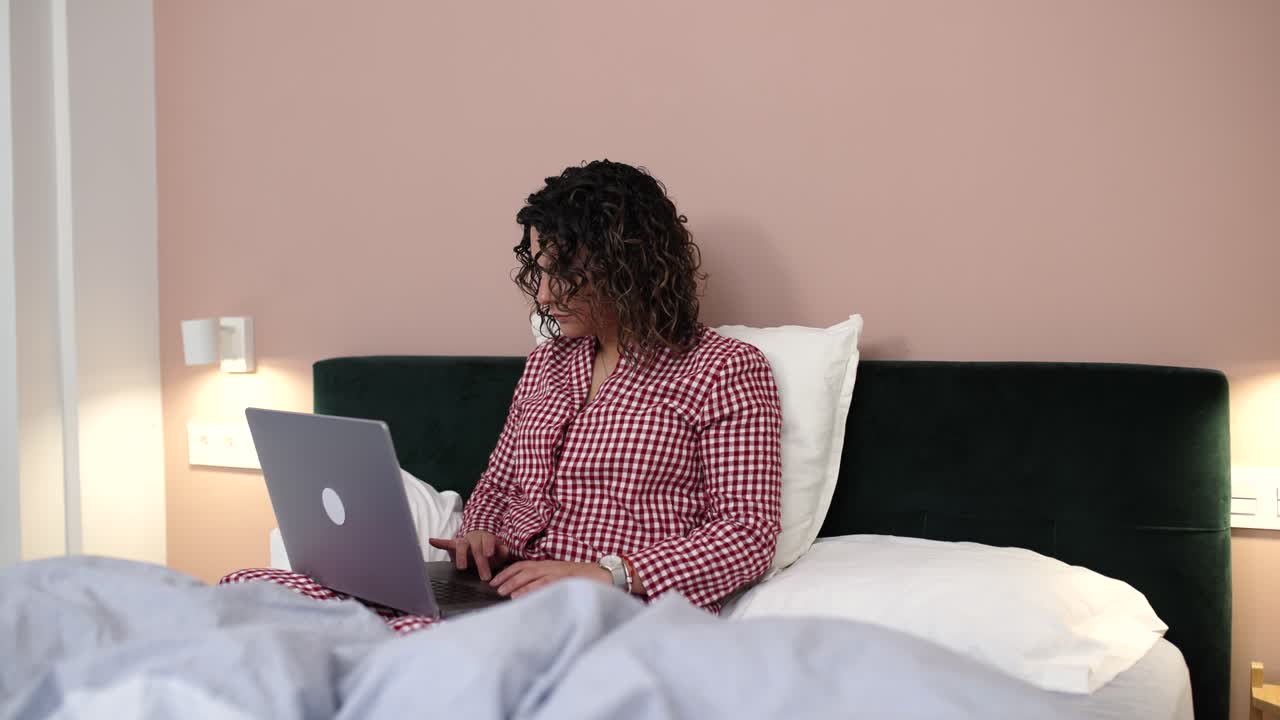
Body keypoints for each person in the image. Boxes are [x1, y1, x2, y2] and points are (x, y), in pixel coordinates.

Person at [222, 160, 783, 628]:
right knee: (248, 589)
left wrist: (605, 573)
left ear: (627, 267)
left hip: (605, 607)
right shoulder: (547, 363)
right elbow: (497, 483)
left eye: (563, 274)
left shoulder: (725, 369)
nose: (543, 296)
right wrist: (479, 533)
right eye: (539, 272)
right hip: (497, 590)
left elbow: (747, 534)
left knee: (403, 639)